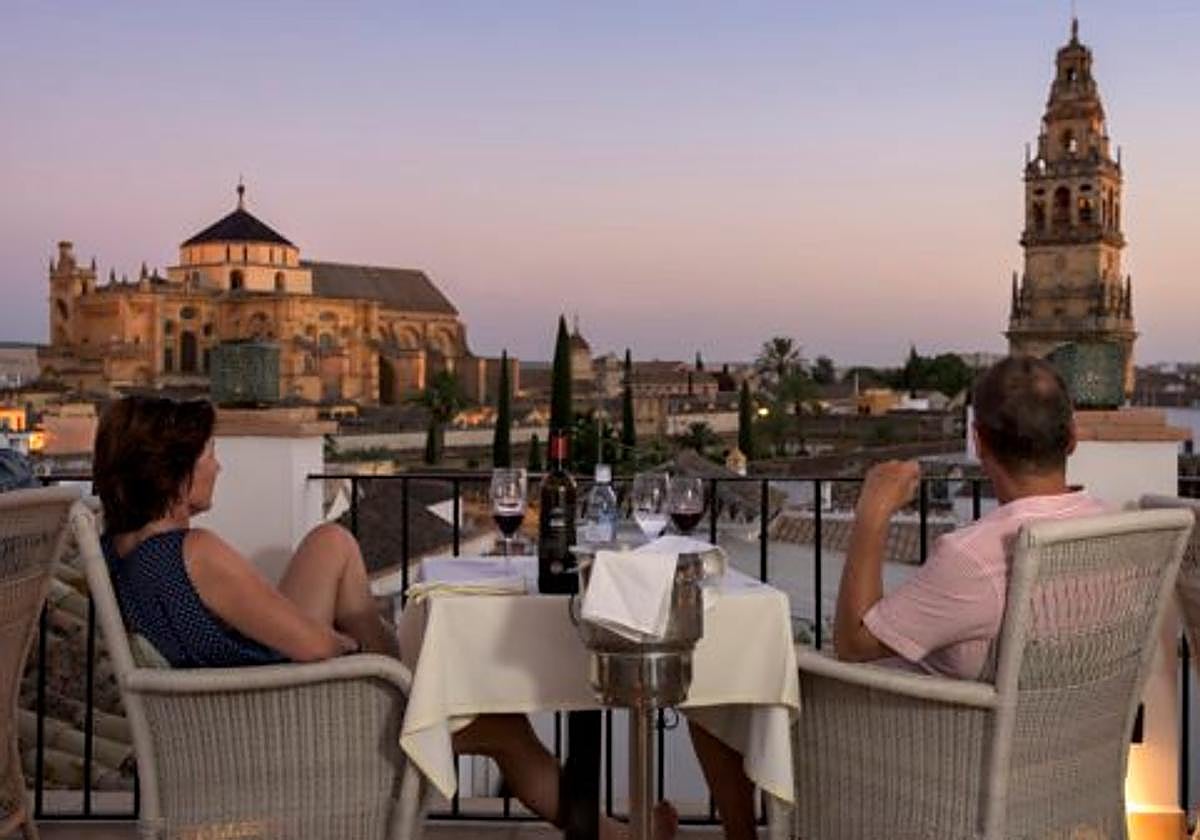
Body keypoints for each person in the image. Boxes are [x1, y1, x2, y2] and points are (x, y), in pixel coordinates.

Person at [92, 395, 675, 840]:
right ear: (174, 469)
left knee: (331, 542)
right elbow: (315, 650)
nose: (219, 467)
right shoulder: (196, 553)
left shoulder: (123, 552)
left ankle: (411, 684)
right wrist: (354, 651)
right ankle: (616, 837)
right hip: (285, 718)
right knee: (505, 728)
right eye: (209, 455)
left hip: (230, 710)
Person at [834, 355, 1108, 677]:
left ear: (978, 442)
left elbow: (853, 645)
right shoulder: (1115, 528)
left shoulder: (972, 560)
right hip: (1091, 709)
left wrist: (872, 514)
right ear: (1072, 438)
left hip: (935, 711)